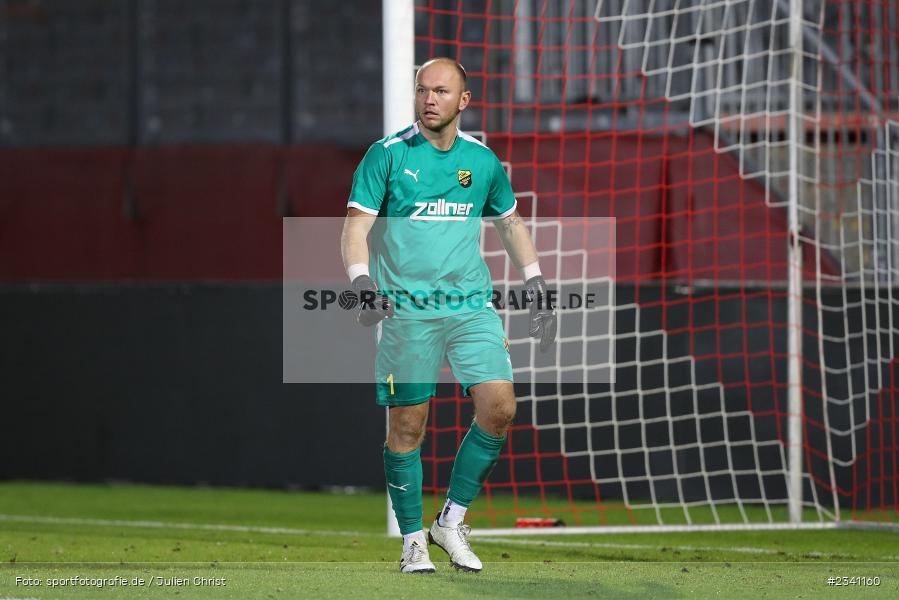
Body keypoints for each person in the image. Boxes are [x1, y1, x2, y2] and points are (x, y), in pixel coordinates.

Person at [340, 57, 556, 574]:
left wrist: (536, 284)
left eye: (440, 91)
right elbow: (354, 228)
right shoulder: (387, 156)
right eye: (422, 90)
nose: (428, 99)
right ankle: (413, 539)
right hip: (407, 311)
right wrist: (362, 284)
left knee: (500, 407)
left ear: (463, 101)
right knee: (408, 428)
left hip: (469, 306)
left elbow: (510, 223)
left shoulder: (481, 161)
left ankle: (450, 521)